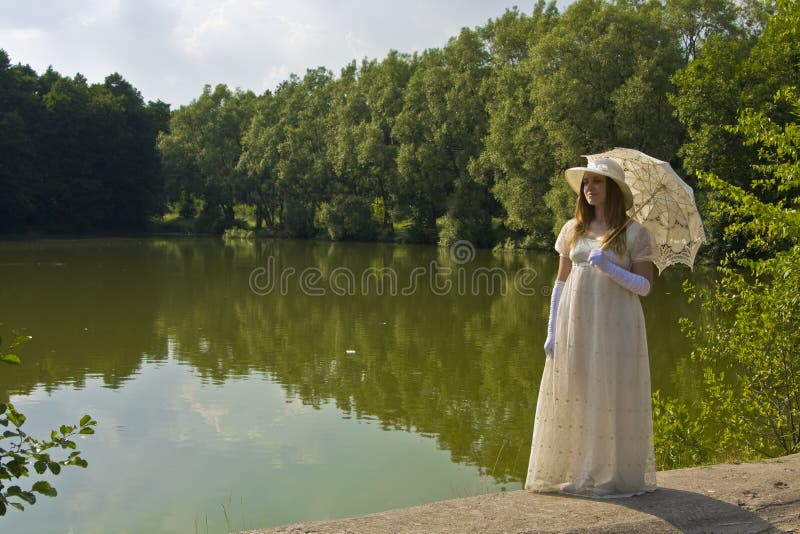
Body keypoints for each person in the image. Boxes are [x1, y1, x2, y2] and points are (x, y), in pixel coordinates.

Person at [525, 157, 657, 498]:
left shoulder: (634, 233)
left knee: (611, 394)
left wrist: (609, 267)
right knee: (578, 391)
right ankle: (578, 472)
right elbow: (559, 282)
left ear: (612, 189)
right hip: (576, 325)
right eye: (586, 183)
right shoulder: (573, 230)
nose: (589, 189)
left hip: (616, 327)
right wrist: (552, 329)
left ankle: (610, 476)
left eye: (597, 183)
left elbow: (644, 286)